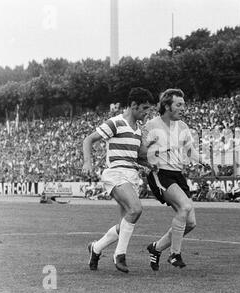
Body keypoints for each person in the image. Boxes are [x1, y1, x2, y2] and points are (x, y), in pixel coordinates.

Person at [83, 87, 155, 273]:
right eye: (144, 108)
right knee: (136, 209)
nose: (147, 112)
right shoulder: (115, 123)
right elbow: (89, 140)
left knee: (125, 223)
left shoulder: (139, 130)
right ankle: (119, 255)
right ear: (133, 106)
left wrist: (151, 165)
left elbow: (137, 157)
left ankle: (96, 248)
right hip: (115, 173)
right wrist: (87, 163)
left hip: (132, 176)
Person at [143, 88, 200, 271]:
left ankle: (156, 247)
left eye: (183, 104)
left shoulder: (182, 126)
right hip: (160, 174)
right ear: (167, 106)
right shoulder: (151, 125)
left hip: (177, 175)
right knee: (184, 207)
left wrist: (205, 161)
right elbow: (141, 152)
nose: (183, 108)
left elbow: (190, 150)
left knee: (190, 223)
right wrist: (154, 154)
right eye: (179, 104)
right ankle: (175, 254)